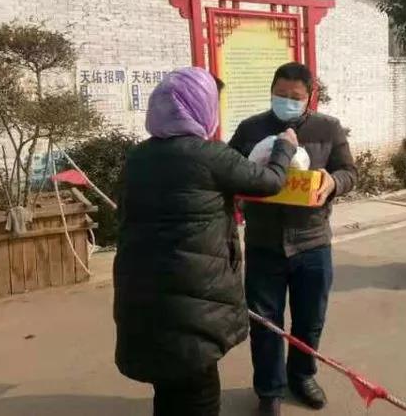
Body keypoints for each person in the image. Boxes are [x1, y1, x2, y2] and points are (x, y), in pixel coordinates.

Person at [113, 67, 298, 416]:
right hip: (194, 305)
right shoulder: (209, 155)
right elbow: (270, 181)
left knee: (168, 393)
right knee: (200, 396)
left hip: (142, 294)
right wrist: (285, 149)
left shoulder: (138, 158)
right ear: (200, 108)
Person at [229, 62, 356, 416]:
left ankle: (302, 376)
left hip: (313, 242)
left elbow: (349, 172)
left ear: (309, 97)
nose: (287, 101)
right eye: (280, 94)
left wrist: (334, 182)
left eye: (295, 97)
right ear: (271, 92)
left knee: (309, 320)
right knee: (265, 323)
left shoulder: (328, 128)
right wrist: (237, 192)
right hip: (263, 243)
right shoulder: (250, 129)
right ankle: (269, 390)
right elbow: (229, 169)